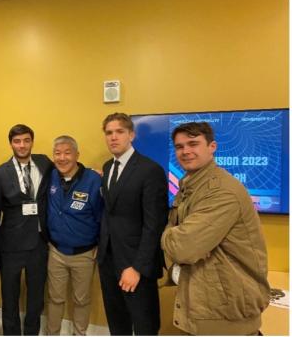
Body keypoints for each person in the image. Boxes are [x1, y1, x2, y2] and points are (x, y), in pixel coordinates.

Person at [161, 122, 270, 335]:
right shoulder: (190, 184)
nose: (185, 151)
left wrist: (166, 234)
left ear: (212, 147)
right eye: (179, 146)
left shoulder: (222, 191)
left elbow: (184, 248)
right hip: (205, 304)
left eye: (193, 144)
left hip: (226, 312)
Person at [98, 112, 168, 335]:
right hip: (108, 260)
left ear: (131, 135)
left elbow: (154, 224)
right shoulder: (108, 167)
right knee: (117, 323)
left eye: (119, 131)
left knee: (144, 324)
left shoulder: (150, 170)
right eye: (109, 133)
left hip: (135, 264)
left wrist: (137, 267)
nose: (113, 137)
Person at [0, 124, 53, 335]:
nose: (22, 145)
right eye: (17, 141)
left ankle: (31, 332)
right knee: (10, 294)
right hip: (11, 244)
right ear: (11, 143)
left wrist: (88, 172)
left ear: (32, 142)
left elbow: (67, 168)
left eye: (26, 140)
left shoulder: (44, 163)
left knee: (36, 294)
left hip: (39, 241)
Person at [46, 135, 103, 335]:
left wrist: (99, 244)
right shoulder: (50, 175)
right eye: (57, 153)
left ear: (77, 155)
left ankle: (80, 333)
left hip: (84, 254)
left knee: (82, 300)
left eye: (67, 153)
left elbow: (101, 216)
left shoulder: (93, 180)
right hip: (56, 252)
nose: (62, 158)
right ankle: (52, 333)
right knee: (55, 298)